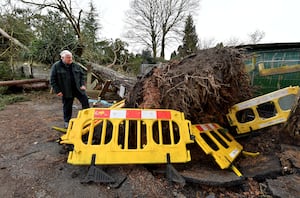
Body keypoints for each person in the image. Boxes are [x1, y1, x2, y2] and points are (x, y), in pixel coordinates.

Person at [50, 50, 89, 128]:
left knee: (85, 102)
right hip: (66, 90)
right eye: (68, 58)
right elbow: (53, 80)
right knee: (67, 106)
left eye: (71, 57)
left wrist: (82, 85)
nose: (70, 59)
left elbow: (82, 75)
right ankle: (67, 122)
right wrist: (57, 91)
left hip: (78, 89)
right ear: (62, 58)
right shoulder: (56, 66)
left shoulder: (75, 65)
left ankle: (87, 119)